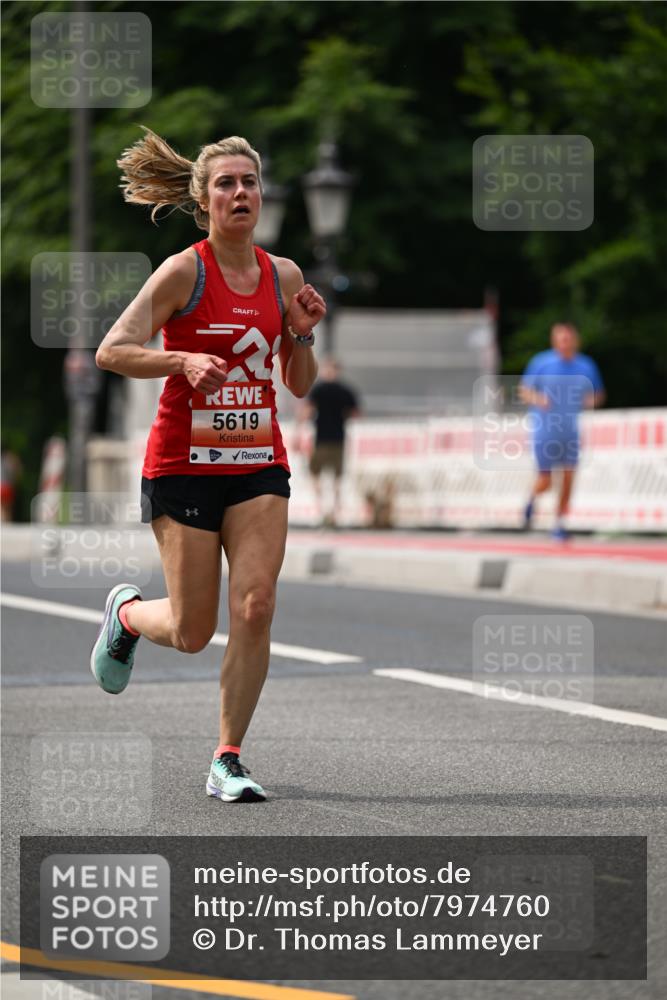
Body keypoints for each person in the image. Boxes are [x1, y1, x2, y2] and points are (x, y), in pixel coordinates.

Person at [91, 129, 325, 802]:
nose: (240, 192)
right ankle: (129, 617)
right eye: (225, 183)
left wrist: (303, 331)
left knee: (255, 605)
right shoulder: (182, 272)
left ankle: (228, 758)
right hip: (182, 465)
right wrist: (180, 360)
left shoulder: (283, 275)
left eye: (249, 182)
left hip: (257, 463)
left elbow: (299, 382)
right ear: (204, 200)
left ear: (262, 194)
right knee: (193, 631)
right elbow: (114, 350)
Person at [519, 322, 605, 541]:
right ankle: (531, 499)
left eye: (568, 339)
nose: (564, 343)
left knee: (568, 477)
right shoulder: (541, 363)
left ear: (575, 341)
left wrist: (590, 400)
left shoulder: (586, 366)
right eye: (560, 339)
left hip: (570, 431)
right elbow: (524, 391)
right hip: (545, 429)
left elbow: (598, 394)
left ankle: (559, 523)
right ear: (554, 341)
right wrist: (539, 399)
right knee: (546, 481)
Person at [302, 357, 359, 527]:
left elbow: (307, 411)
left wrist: (301, 428)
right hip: (338, 439)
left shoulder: (318, 389)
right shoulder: (345, 390)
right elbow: (355, 413)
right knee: (336, 478)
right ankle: (333, 512)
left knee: (316, 474)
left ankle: (323, 510)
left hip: (321, 439)